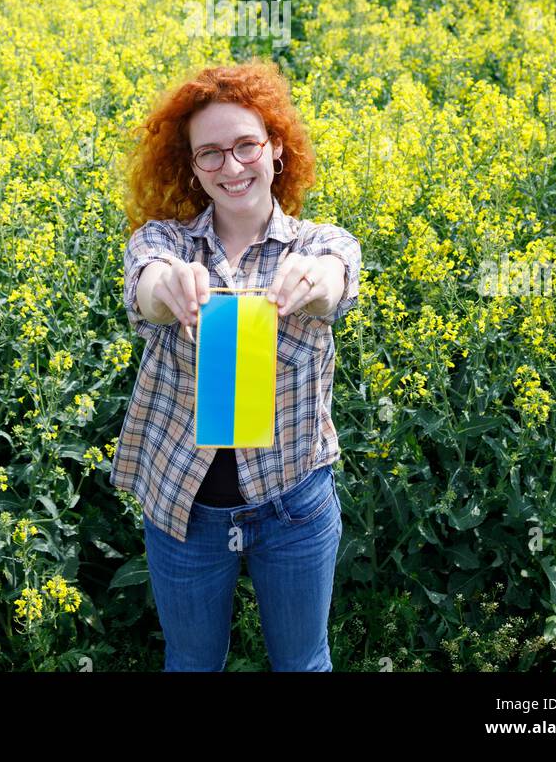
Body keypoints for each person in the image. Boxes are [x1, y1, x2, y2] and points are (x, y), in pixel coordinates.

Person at [109, 58, 361, 671]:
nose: (232, 166)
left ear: (275, 148)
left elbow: (337, 281)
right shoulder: (164, 242)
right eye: (210, 154)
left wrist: (317, 284)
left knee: (303, 663)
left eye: (247, 145)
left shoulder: (321, 244)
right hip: (183, 504)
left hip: (293, 500)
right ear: (192, 167)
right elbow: (146, 286)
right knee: (192, 664)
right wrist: (172, 286)